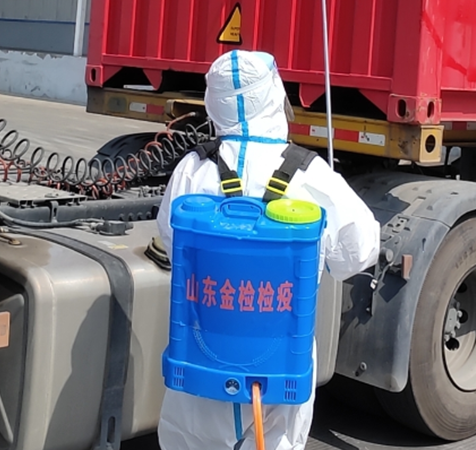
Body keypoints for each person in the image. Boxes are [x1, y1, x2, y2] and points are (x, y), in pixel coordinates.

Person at [156, 50, 380, 450]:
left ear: (212, 102)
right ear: (276, 95)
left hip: (202, 357)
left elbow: (174, 245)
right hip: (277, 369)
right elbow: (359, 251)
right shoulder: (310, 173)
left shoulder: (192, 168)